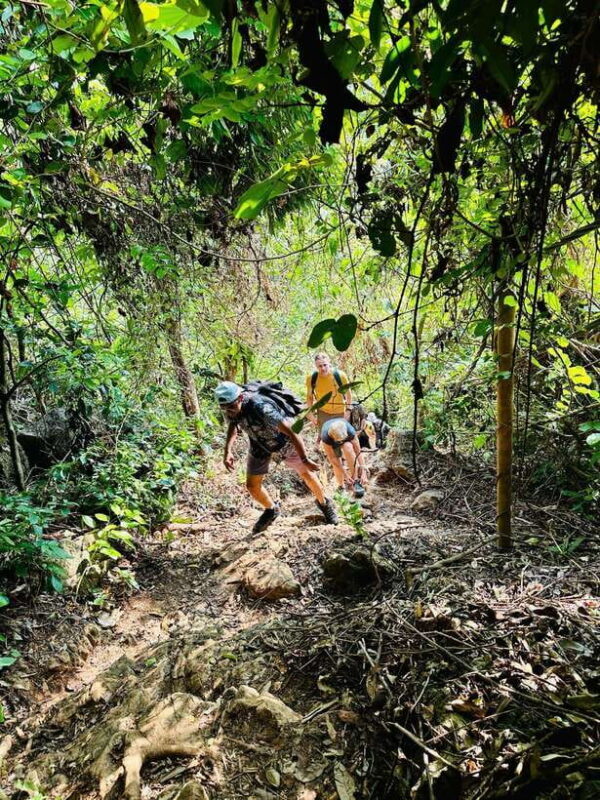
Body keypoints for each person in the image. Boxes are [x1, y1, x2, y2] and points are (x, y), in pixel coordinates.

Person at [215, 381, 338, 533]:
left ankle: (325, 504)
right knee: (252, 486)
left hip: (285, 442)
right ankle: (271, 510)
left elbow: (292, 432)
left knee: (306, 474)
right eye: (224, 407)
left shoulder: (261, 408)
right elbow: (233, 425)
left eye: (231, 406)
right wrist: (227, 450)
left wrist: (305, 459)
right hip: (259, 444)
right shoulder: (231, 408)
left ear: (240, 398)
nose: (229, 411)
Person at [320, 418, 370, 498]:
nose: (340, 442)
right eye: (339, 441)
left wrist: (363, 471)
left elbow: (358, 452)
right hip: (332, 442)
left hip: (345, 437)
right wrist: (345, 474)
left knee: (348, 447)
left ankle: (356, 481)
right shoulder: (326, 437)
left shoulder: (350, 432)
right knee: (337, 460)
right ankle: (341, 486)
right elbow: (333, 459)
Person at [305, 352, 353, 435]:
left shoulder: (340, 376)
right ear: (316, 366)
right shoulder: (312, 378)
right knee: (326, 437)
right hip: (323, 412)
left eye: (325, 365)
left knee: (341, 437)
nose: (323, 368)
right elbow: (309, 397)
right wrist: (310, 414)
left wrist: (348, 411)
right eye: (320, 366)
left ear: (329, 363)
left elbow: (348, 395)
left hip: (339, 412)